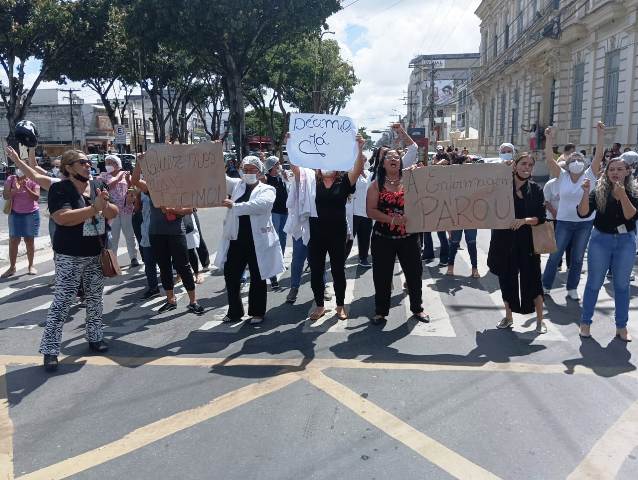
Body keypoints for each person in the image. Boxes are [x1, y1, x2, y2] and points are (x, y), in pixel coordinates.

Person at [39, 150, 119, 372]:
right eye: (82, 162)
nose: (88, 165)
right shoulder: (60, 188)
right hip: (70, 254)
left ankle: (95, 337)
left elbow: (113, 212)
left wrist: (104, 205)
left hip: (95, 252)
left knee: (95, 298)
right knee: (63, 301)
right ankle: (50, 350)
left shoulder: (95, 187)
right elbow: (62, 218)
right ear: (69, 167)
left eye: (89, 162)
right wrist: (93, 209)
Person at [287, 134, 366, 321]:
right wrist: (289, 144)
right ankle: (320, 305)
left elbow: (358, 168)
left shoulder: (344, 182)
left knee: (338, 270)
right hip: (316, 233)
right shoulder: (310, 182)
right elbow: (295, 168)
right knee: (316, 270)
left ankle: (340, 305)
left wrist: (359, 147)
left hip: (338, 234)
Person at [215, 155, 285, 324]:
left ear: (260, 172)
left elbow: (261, 206)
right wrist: (215, 155)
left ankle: (257, 312)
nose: (248, 173)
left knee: (258, 276)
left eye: (252, 170)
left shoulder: (267, 190)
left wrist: (235, 206)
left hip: (257, 241)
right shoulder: (237, 185)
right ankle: (234, 312)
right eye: (245, 170)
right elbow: (219, 178)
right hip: (236, 239)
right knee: (231, 275)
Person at [577, 155, 638, 342]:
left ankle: (621, 327)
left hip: (625, 242)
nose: (615, 173)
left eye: (620, 169)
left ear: (628, 172)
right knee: (594, 283)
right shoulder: (599, 191)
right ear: (606, 173)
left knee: (621, 285)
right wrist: (586, 193)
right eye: (612, 169)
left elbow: (631, 217)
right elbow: (583, 213)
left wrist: (623, 196)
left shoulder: (634, 192)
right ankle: (585, 323)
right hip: (600, 241)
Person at [131, 161, 204, 315]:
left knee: (183, 266)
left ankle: (193, 301)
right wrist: (139, 163)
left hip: (176, 232)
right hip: (156, 233)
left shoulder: (181, 188)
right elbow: (135, 181)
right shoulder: (153, 188)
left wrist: (170, 209)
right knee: (164, 267)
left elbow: (190, 209)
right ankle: (170, 300)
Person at [366, 148, 429, 324]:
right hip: (382, 238)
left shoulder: (411, 180)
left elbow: (430, 190)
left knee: (414, 275)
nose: (394, 159)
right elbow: (370, 211)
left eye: (397, 157)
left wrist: (422, 173)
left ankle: (418, 309)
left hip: (409, 238)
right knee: (382, 276)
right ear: (383, 163)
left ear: (400, 161)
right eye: (389, 157)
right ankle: (380, 312)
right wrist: (392, 220)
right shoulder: (376, 184)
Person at [542, 124, 604, 300]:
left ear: (584, 163)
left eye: (579, 158)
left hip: (585, 224)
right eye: (573, 158)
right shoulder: (562, 176)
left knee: (577, 259)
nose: (576, 160)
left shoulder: (590, 175)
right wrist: (549, 139)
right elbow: (549, 159)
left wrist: (600, 135)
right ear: (568, 164)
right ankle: (545, 285)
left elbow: (599, 155)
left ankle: (572, 288)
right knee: (555, 256)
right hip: (563, 222)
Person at [487, 153, 547, 333]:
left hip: (528, 242)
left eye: (530, 164)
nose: (526, 167)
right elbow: (484, 194)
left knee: (533, 280)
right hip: (504, 241)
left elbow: (541, 218)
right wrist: (500, 170)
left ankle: (539, 320)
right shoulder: (502, 186)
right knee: (506, 280)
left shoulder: (536, 189)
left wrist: (524, 220)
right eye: (523, 163)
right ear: (514, 165)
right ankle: (508, 316)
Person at [100, 155, 140, 267]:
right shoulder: (104, 176)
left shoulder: (126, 175)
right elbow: (106, 187)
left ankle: (133, 258)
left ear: (117, 164)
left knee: (129, 235)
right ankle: (113, 261)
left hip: (126, 209)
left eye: (110, 162)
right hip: (112, 211)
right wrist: (117, 179)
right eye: (106, 162)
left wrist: (127, 180)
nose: (107, 165)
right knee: (113, 236)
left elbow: (133, 189)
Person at [2, 164, 40, 278]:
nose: (20, 170)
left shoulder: (34, 179)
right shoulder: (11, 179)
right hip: (15, 214)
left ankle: (31, 265)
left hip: (31, 213)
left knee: (29, 240)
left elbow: (36, 197)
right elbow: (5, 195)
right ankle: (12, 267)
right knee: (13, 240)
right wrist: (15, 190)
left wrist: (26, 187)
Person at [445, 156, 480, 278]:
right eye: (466, 163)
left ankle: (474, 269)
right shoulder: (452, 182)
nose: (469, 166)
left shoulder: (476, 181)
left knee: (472, 244)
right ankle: (450, 267)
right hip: (457, 218)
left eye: (470, 163)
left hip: (471, 217)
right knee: (454, 244)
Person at [264, 155, 289, 289]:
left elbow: (288, 190)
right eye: (277, 164)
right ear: (271, 166)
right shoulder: (267, 179)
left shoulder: (282, 177)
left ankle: (280, 259)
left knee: (283, 237)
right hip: (274, 213)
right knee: (274, 239)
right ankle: (272, 269)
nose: (279, 165)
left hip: (284, 212)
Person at [345, 168, 373, 268]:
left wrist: (364, 176)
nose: (362, 162)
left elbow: (372, 186)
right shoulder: (350, 173)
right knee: (349, 238)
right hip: (353, 212)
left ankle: (363, 258)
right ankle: (342, 259)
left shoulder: (368, 174)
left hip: (366, 212)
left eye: (364, 160)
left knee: (365, 238)